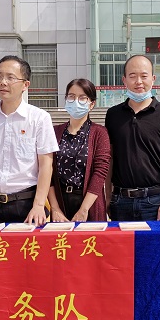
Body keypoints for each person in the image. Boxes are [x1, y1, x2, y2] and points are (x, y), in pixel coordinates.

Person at [0, 55, 57, 229]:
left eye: (10, 77)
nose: (3, 82)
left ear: (25, 85)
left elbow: (46, 165)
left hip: (26, 204)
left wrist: (38, 204)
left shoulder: (39, 118)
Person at [105, 54, 160, 221]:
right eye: (132, 76)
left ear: (153, 79)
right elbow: (110, 158)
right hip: (120, 200)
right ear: (124, 80)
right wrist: (108, 196)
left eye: (144, 76)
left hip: (154, 201)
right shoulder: (113, 114)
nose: (138, 81)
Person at [47, 79, 110, 222]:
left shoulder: (100, 133)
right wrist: (55, 208)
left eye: (82, 98)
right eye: (71, 96)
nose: (76, 101)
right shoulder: (54, 132)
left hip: (89, 204)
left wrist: (84, 209)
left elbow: (100, 172)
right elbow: (47, 170)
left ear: (92, 104)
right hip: (60, 203)